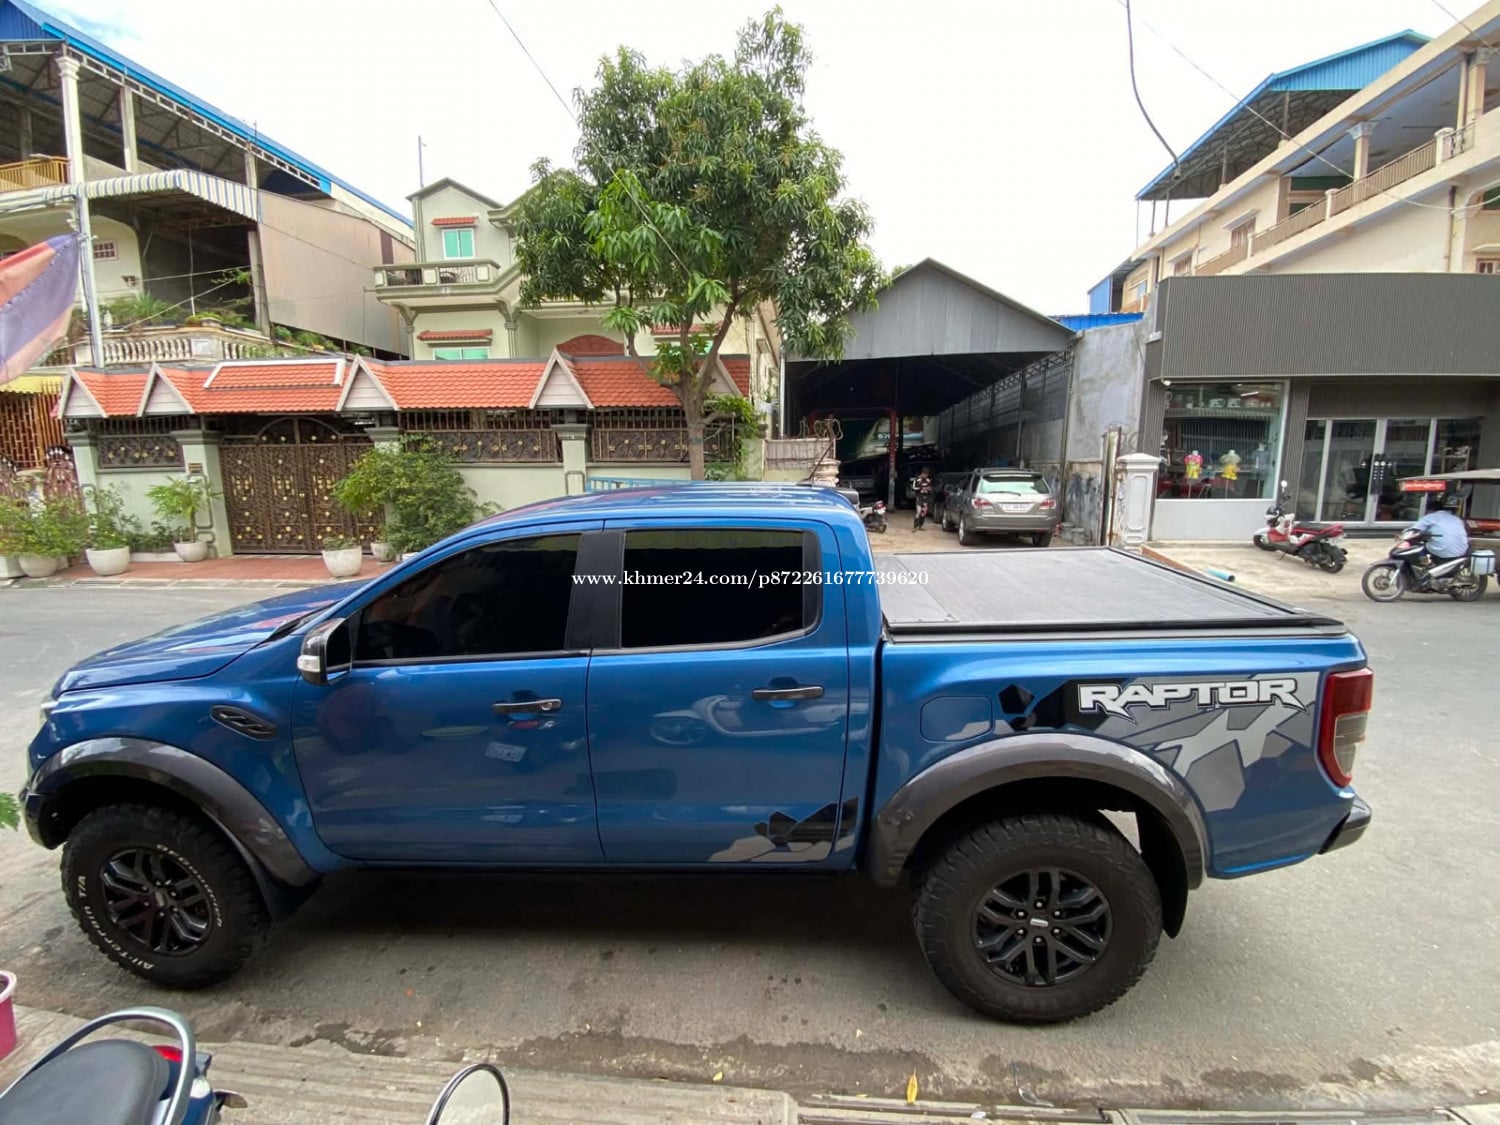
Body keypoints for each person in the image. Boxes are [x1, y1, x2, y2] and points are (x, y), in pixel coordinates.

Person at [1411, 493, 1469, 562]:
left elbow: (1413, 531)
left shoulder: (1430, 517)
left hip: (1443, 551)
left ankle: (1424, 563)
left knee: (1419, 547)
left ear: (1429, 510)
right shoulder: (1456, 518)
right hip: (1461, 551)